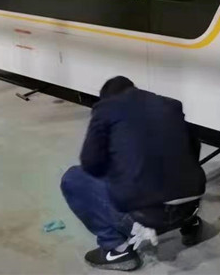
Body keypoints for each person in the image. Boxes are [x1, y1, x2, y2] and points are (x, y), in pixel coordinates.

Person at [61, 76, 206, 271]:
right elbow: (194, 150)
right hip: (189, 208)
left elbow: (91, 164)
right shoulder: (169, 105)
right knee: (174, 174)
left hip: (148, 220)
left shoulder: (106, 109)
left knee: (73, 178)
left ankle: (116, 250)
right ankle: (190, 224)